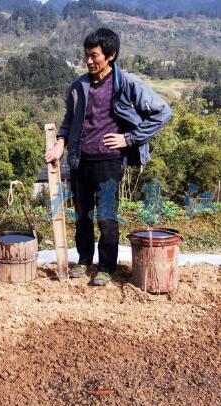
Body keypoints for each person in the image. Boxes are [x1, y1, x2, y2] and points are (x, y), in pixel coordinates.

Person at [45, 27, 171, 286]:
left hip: (108, 161)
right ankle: (83, 260)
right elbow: (69, 121)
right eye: (86, 56)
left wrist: (128, 139)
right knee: (81, 215)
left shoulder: (125, 84)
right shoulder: (79, 86)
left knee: (105, 216)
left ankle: (106, 266)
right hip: (80, 161)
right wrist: (60, 145)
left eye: (94, 55)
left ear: (111, 55)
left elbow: (162, 112)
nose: (89, 61)